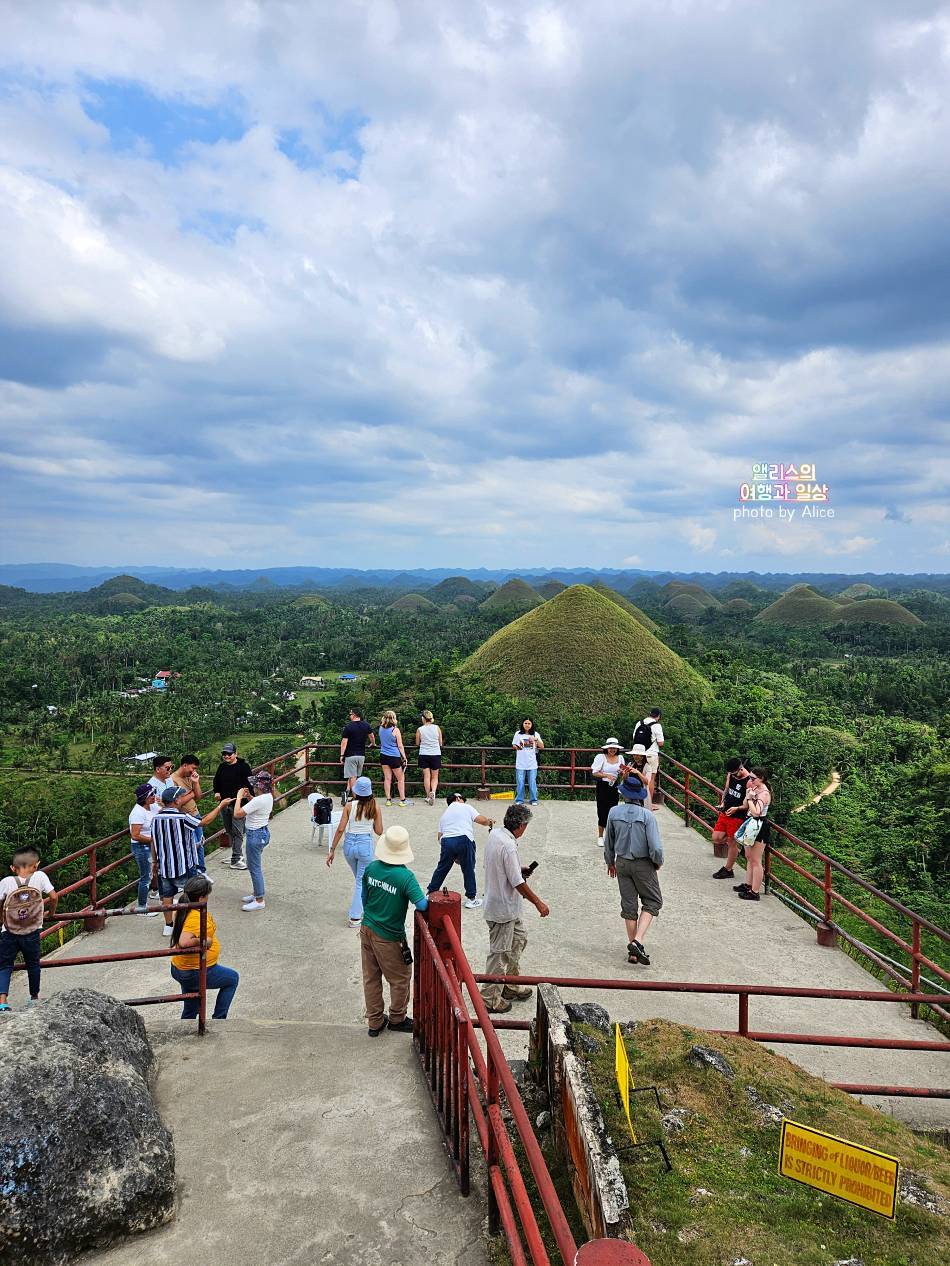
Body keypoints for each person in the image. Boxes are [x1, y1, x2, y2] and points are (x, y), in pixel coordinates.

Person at [360, 825, 430, 1037]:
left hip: (367, 928)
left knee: (371, 978)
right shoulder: (404, 877)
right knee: (400, 978)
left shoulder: (371, 868)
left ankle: (375, 1022)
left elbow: (364, 899)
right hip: (389, 936)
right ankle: (397, 1017)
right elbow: (423, 905)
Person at [480, 804, 550, 1014]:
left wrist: (518, 869)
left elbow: (505, 868)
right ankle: (490, 997)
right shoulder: (509, 846)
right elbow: (518, 883)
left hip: (505, 906)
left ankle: (509, 984)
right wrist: (538, 902)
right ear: (520, 825)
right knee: (500, 953)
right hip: (503, 908)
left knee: (519, 940)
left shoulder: (497, 835)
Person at [152, 787, 231, 937]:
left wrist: (154, 862)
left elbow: (153, 842)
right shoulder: (182, 817)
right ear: (176, 801)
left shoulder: (156, 818)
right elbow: (204, 821)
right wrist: (220, 806)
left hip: (165, 866)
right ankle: (190, 924)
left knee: (167, 897)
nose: (184, 799)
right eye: (182, 797)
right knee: (192, 895)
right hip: (184, 865)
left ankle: (168, 926)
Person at [603, 773, 664, 966]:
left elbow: (608, 841)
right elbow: (655, 847)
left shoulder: (613, 812)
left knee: (629, 907)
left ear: (624, 794)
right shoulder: (647, 816)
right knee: (653, 901)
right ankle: (637, 941)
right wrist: (657, 862)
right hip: (643, 863)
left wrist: (610, 862)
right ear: (639, 795)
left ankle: (633, 951)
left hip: (621, 862)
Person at [169, 874, 240, 1021]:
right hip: (196, 970)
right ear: (201, 898)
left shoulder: (183, 908)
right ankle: (219, 1019)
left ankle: (185, 1029)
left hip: (182, 967)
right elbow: (184, 942)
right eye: (207, 896)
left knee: (191, 1007)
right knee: (232, 979)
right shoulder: (195, 916)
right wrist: (205, 941)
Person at [0, 847, 58, 1012]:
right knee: (33, 964)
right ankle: (34, 998)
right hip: (32, 930)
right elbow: (54, 896)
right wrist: (50, 914)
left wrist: (2, 920)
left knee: (5, 965)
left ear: (13, 868)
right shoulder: (40, 877)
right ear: (36, 865)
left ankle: (2, 1001)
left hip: (9, 931)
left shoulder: (6, 882)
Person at [327, 775, 383, 928]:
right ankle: (355, 917)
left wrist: (332, 850)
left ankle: (363, 906)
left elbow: (340, 829)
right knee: (361, 881)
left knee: (360, 880)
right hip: (365, 845)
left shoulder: (349, 806)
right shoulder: (375, 806)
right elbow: (379, 831)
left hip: (349, 846)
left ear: (356, 791)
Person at [427, 792, 495, 909]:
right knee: (468, 868)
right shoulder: (466, 807)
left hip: (446, 841)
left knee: (442, 868)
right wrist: (490, 822)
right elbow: (482, 820)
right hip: (464, 839)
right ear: (457, 798)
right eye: (462, 798)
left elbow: (439, 836)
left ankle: (430, 892)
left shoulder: (444, 815)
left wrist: (452, 854)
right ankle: (471, 898)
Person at [233, 771, 274, 913]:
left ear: (260, 786)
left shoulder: (259, 800)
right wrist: (249, 797)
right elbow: (256, 806)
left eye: (254, 785)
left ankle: (259, 900)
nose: (252, 787)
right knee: (253, 865)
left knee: (254, 867)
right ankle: (257, 893)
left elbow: (237, 814)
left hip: (254, 835)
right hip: (262, 832)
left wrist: (239, 798)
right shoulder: (267, 797)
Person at [733, 768, 773, 902]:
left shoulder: (764, 794)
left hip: (759, 825)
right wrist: (748, 794)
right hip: (751, 823)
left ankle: (755, 891)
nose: (750, 780)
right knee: (749, 856)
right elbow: (745, 804)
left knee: (756, 860)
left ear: (761, 778)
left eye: (753, 778)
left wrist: (750, 799)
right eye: (750, 777)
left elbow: (756, 812)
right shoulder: (755, 788)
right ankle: (748, 885)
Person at [213, 743, 253, 870]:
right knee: (230, 830)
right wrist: (217, 791)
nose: (226, 756)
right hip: (225, 803)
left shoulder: (243, 767)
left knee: (238, 832)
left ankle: (236, 858)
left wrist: (249, 796)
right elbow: (216, 781)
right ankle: (235, 855)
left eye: (229, 754)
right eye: (224, 754)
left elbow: (250, 783)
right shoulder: (222, 767)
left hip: (239, 804)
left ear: (236, 754)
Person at [711, 758, 751, 880]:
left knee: (732, 843)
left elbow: (748, 804)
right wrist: (723, 803)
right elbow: (727, 790)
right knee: (716, 838)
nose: (733, 775)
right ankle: (735, 848)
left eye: (735, 773)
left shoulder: (748, 781)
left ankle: (728, 869)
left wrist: (737, 809)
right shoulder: (731, 774)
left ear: (741, 769)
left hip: (738, 816)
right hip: (726, 811)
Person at [171, 755, 209, 879]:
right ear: (184, 765)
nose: (193, 771)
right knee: (191, 847)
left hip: (195, 814)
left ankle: (201, 871)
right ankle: (193, 875)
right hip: (185, 818)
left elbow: (198, 796)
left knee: (200, 844)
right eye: (192, 768)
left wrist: (195, 783)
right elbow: (177, 803)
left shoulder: (189, 778)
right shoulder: (173, 779)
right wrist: (191, 793)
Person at [128, 783, 160, 917]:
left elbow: (162, 811)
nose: (154, 796)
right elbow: (135, 835)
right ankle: (141, 907)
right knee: (146, 877)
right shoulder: (137, 812)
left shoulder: (152, 807)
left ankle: (156, 892)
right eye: (152, 794)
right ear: (145, 798)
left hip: (151, 845)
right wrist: (153, 839)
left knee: (155, 871)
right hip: (142, 847)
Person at [591, 739, 625, 843]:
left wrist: (622, 772)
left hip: (614, 786)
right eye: (610, 748)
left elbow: (622, 773)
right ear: (606, 748)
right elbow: (594, 772)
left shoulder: (620, 758)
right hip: (603, 785)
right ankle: (600, 836)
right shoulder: (600, 757)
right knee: (602, 810)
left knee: (613, 810)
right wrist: (606, 775)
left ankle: (610, 835)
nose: (612, 750)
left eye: (614, 748)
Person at [340, 707, 375, 800]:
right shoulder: (366, 725)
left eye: (350, 714)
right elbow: (372, 736)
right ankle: (348, 791)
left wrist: (342, 755)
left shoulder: (348, 727)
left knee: (352, 777)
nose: (350, 716)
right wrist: (373, 744)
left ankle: (355, 798)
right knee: (355, 776)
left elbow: (344, 742)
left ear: (354, 715)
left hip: (350, 755)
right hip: (361, 755)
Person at [631, 708, 664, 808]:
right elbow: (661, 743)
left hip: (639, 753)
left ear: (650, 714)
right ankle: (648, 804)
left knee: (637, 776)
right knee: (650, 779)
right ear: (658, 716)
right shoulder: (657, 725)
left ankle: (635, 800)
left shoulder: (639, 723)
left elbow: (634, 738)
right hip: (651, 754)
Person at [378, 710, 412, 807]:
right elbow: (400, 746)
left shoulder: (380, 728)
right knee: (400, 779)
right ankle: (402, 800)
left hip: (383, 755)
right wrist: (404, 757)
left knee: (387, 778)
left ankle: (388, 799)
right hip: (394, 756)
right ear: (394, 718)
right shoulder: (395, 730)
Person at [512, 718, 544, 806]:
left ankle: (533, 799)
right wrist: (517, 747)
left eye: (529, 723)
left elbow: (542, 746)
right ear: (522, 724)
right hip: (520, 763)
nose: (527, 725)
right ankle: (519, 799)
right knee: (520, 782)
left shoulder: (535, 734)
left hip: (532, 763)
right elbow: (514, 744)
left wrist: (535, 739)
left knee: (532, 782)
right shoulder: (518, 734)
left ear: (532, 725)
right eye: (525, 723)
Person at [416, 711, 444, 805]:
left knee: (427, 776)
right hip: (435, 754)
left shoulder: (420, 729)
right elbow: (440, 743)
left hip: (424, 754)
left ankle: (428, 796)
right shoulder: (437, 728)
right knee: (435, 777)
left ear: (423, 718)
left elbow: (417, 743)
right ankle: (433, 792)